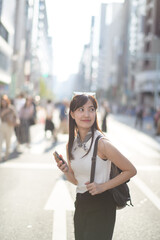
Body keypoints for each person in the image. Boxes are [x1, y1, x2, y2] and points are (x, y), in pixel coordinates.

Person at [54, 93, 137, 240]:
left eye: (91, 109)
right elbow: (77, 181)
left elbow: (130, 170)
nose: (87, 114)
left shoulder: (102, 144)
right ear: (72, 114)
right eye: (81, 109)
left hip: (102, 205)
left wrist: (103, 186)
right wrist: (66, 171)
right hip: (81, 203)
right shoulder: (70, 145)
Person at [0, 95, 19, 161]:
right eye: (2, 101)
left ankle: (6, 156)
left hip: (9, 126)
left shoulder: (11, 108)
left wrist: (15, 122)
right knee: (0, 141)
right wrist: (5, 111)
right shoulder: (1, 108)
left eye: (4, 101)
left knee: (8, 142)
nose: (3, 102)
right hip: (2, 125)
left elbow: (16, 116)